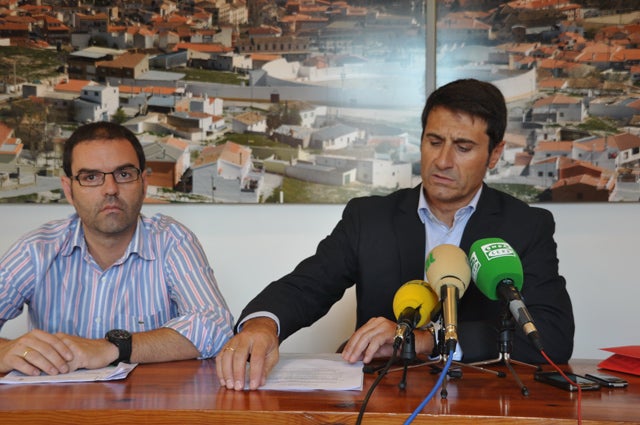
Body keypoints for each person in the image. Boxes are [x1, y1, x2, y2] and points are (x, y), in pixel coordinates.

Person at [216, 78, 575, 391]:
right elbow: (308, 284)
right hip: (383, 397)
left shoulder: (525, 226)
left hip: (481, 400)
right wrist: (263, 323)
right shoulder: (369, 218)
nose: (443, 161)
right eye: (434, 141)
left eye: (463, 147)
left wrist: (426, 340)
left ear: (494, 154)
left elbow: (553, 336)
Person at [0, 122, 234, 376]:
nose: (110, 189)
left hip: (150, 400)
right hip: (59, 401)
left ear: (144, 184)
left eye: (124, 174)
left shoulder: (171, 241)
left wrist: (112, 348)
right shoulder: (37, 249)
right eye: (91, 177)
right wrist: (4, 352)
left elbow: (215, 325)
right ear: (69, 190)